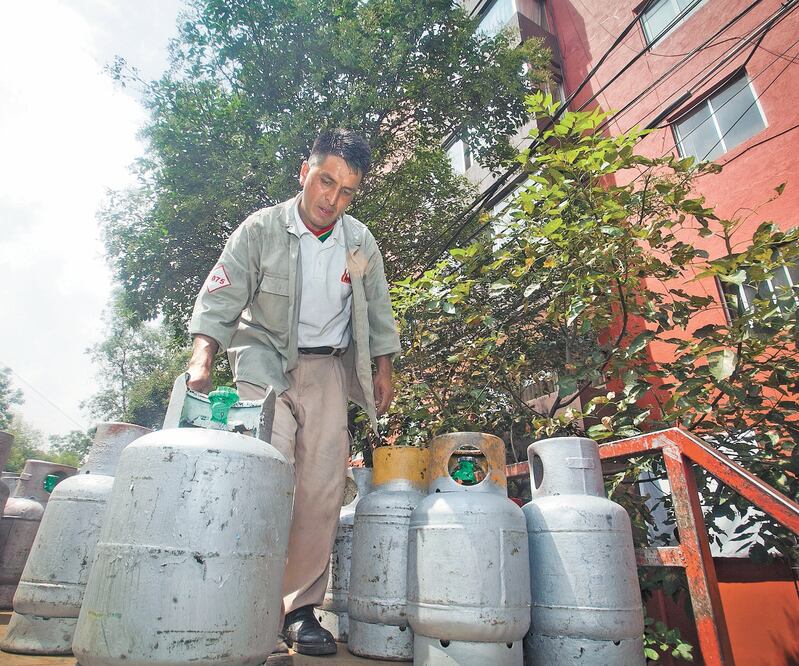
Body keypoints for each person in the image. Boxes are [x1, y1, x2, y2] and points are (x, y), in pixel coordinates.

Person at [186, 129, 400, 656]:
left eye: (347, 190)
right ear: (304, 173)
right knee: (268, 470)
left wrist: (383, 367)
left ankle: (300, 610)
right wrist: (202, 359)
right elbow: (221, 296)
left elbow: (376, 308)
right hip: (265, 359)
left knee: (322, 489)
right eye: (326, 181)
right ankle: (246, 598)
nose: (332, 198)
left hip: (329, 367)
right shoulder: (260, 229)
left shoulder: (359, 242)